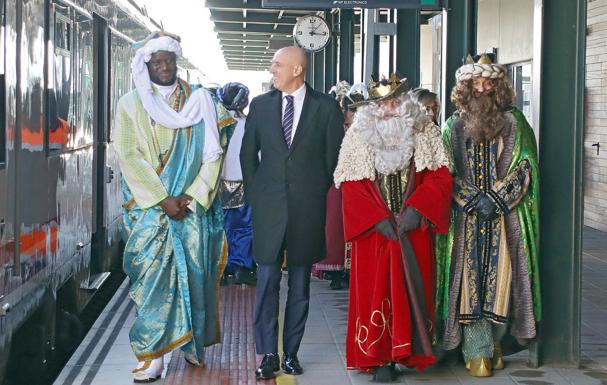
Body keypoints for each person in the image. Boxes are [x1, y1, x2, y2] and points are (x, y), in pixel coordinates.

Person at [113, 31, 235, 383]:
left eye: (169, 60)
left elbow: (215, 153)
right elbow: (129, 156)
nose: (164, 67)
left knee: (194, 279)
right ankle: (155, 356)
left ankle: (189, 343)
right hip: (150, 211)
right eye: (157, 62)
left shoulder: (202, 101)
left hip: (191, 210)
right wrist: (162, 199)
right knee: (154, 285)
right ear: (146, 65)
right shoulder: (129, 104)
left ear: (177, 61)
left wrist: (194, 195)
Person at [333, 75, 453, 382]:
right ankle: (380, 358)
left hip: (413, 231)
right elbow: (349, 184)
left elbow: (440, 176)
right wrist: (375, 218)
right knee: (376, 292)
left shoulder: (426, 130)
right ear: (370, 108)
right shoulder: (357, 136)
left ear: (405, 103)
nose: (388, 108)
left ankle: (409, 351)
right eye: (381, 103)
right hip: (375, 235)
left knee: (414, 287)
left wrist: (417, 210)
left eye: (394, 101)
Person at [240, 46, 344, 380]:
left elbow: (333, 158)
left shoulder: (326, 108)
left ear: (297, 70)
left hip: (306, 210)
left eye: (277, 65)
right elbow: (247, 155)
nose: (272, 70)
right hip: (269, 209)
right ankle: (269, 353)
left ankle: (292, 354)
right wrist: (257, 195)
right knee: (267, 281)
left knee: (300, 285)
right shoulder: (260, 105)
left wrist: (314, 192)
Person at [435, 54, 540, 377]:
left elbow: (526, 166)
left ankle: (494, 343)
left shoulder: (514, 121)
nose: (481, 88)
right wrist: (469, 198)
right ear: (465, 87)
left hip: (504, 218)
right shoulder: (453, 125)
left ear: (498, 86)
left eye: (488, 83)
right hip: (463, 218)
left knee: (503, 281)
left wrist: (495, 199)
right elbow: (444, 170)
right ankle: (476, 348)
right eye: (475, 83)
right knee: (467, 283)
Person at [216, 82, 256, 286]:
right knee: (244, 227)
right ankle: (241, 267)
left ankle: (221, 269)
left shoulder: (215, 123)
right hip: (244, 182)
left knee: (220, 226)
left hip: (216, 184)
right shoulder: (250, 124)